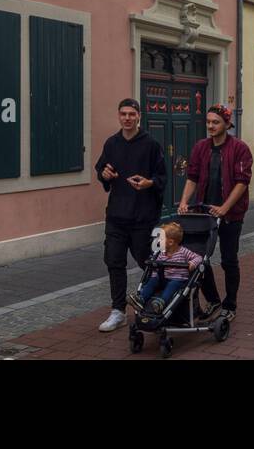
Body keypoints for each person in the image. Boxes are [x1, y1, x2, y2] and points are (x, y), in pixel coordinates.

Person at [94, 98, 168, 332]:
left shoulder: (151, 145)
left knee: (146, 261)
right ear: (119, 116)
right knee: (114, 262)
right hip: (116, 214)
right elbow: (101, 169)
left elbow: (162, 177)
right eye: (123, 114)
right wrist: (104, 175)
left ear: (139, 116)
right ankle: (118, 311)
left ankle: (157, 300)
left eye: (131, 114)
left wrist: (149, 183)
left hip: (143, 216)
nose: (127, 118)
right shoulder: (111, 143)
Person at [178, 104, 252, 320]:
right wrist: (184, 202)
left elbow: (242, 182)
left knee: (229, 260)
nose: (210, 126)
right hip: (204, 213)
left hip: (231, 215)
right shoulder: (201, 147)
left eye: (215, 122)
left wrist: (224, 208)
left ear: (227, 124)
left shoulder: (240, 148)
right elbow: (192, 176)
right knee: (199, 259)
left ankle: (230, 305)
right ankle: (213, 300)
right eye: (208, 122)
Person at [136, 221, 202, 314]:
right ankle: (141, 299)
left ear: (170, 242)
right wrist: (154, 270)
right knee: (152, 281)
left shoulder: (183, 252)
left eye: (161, 239)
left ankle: (161, 302)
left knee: (172, 286)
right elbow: (156, 265)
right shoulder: (162, 252)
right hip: (163, 278)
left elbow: (198, 257)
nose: (158, 241)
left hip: (178, 279)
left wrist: (192, 263)